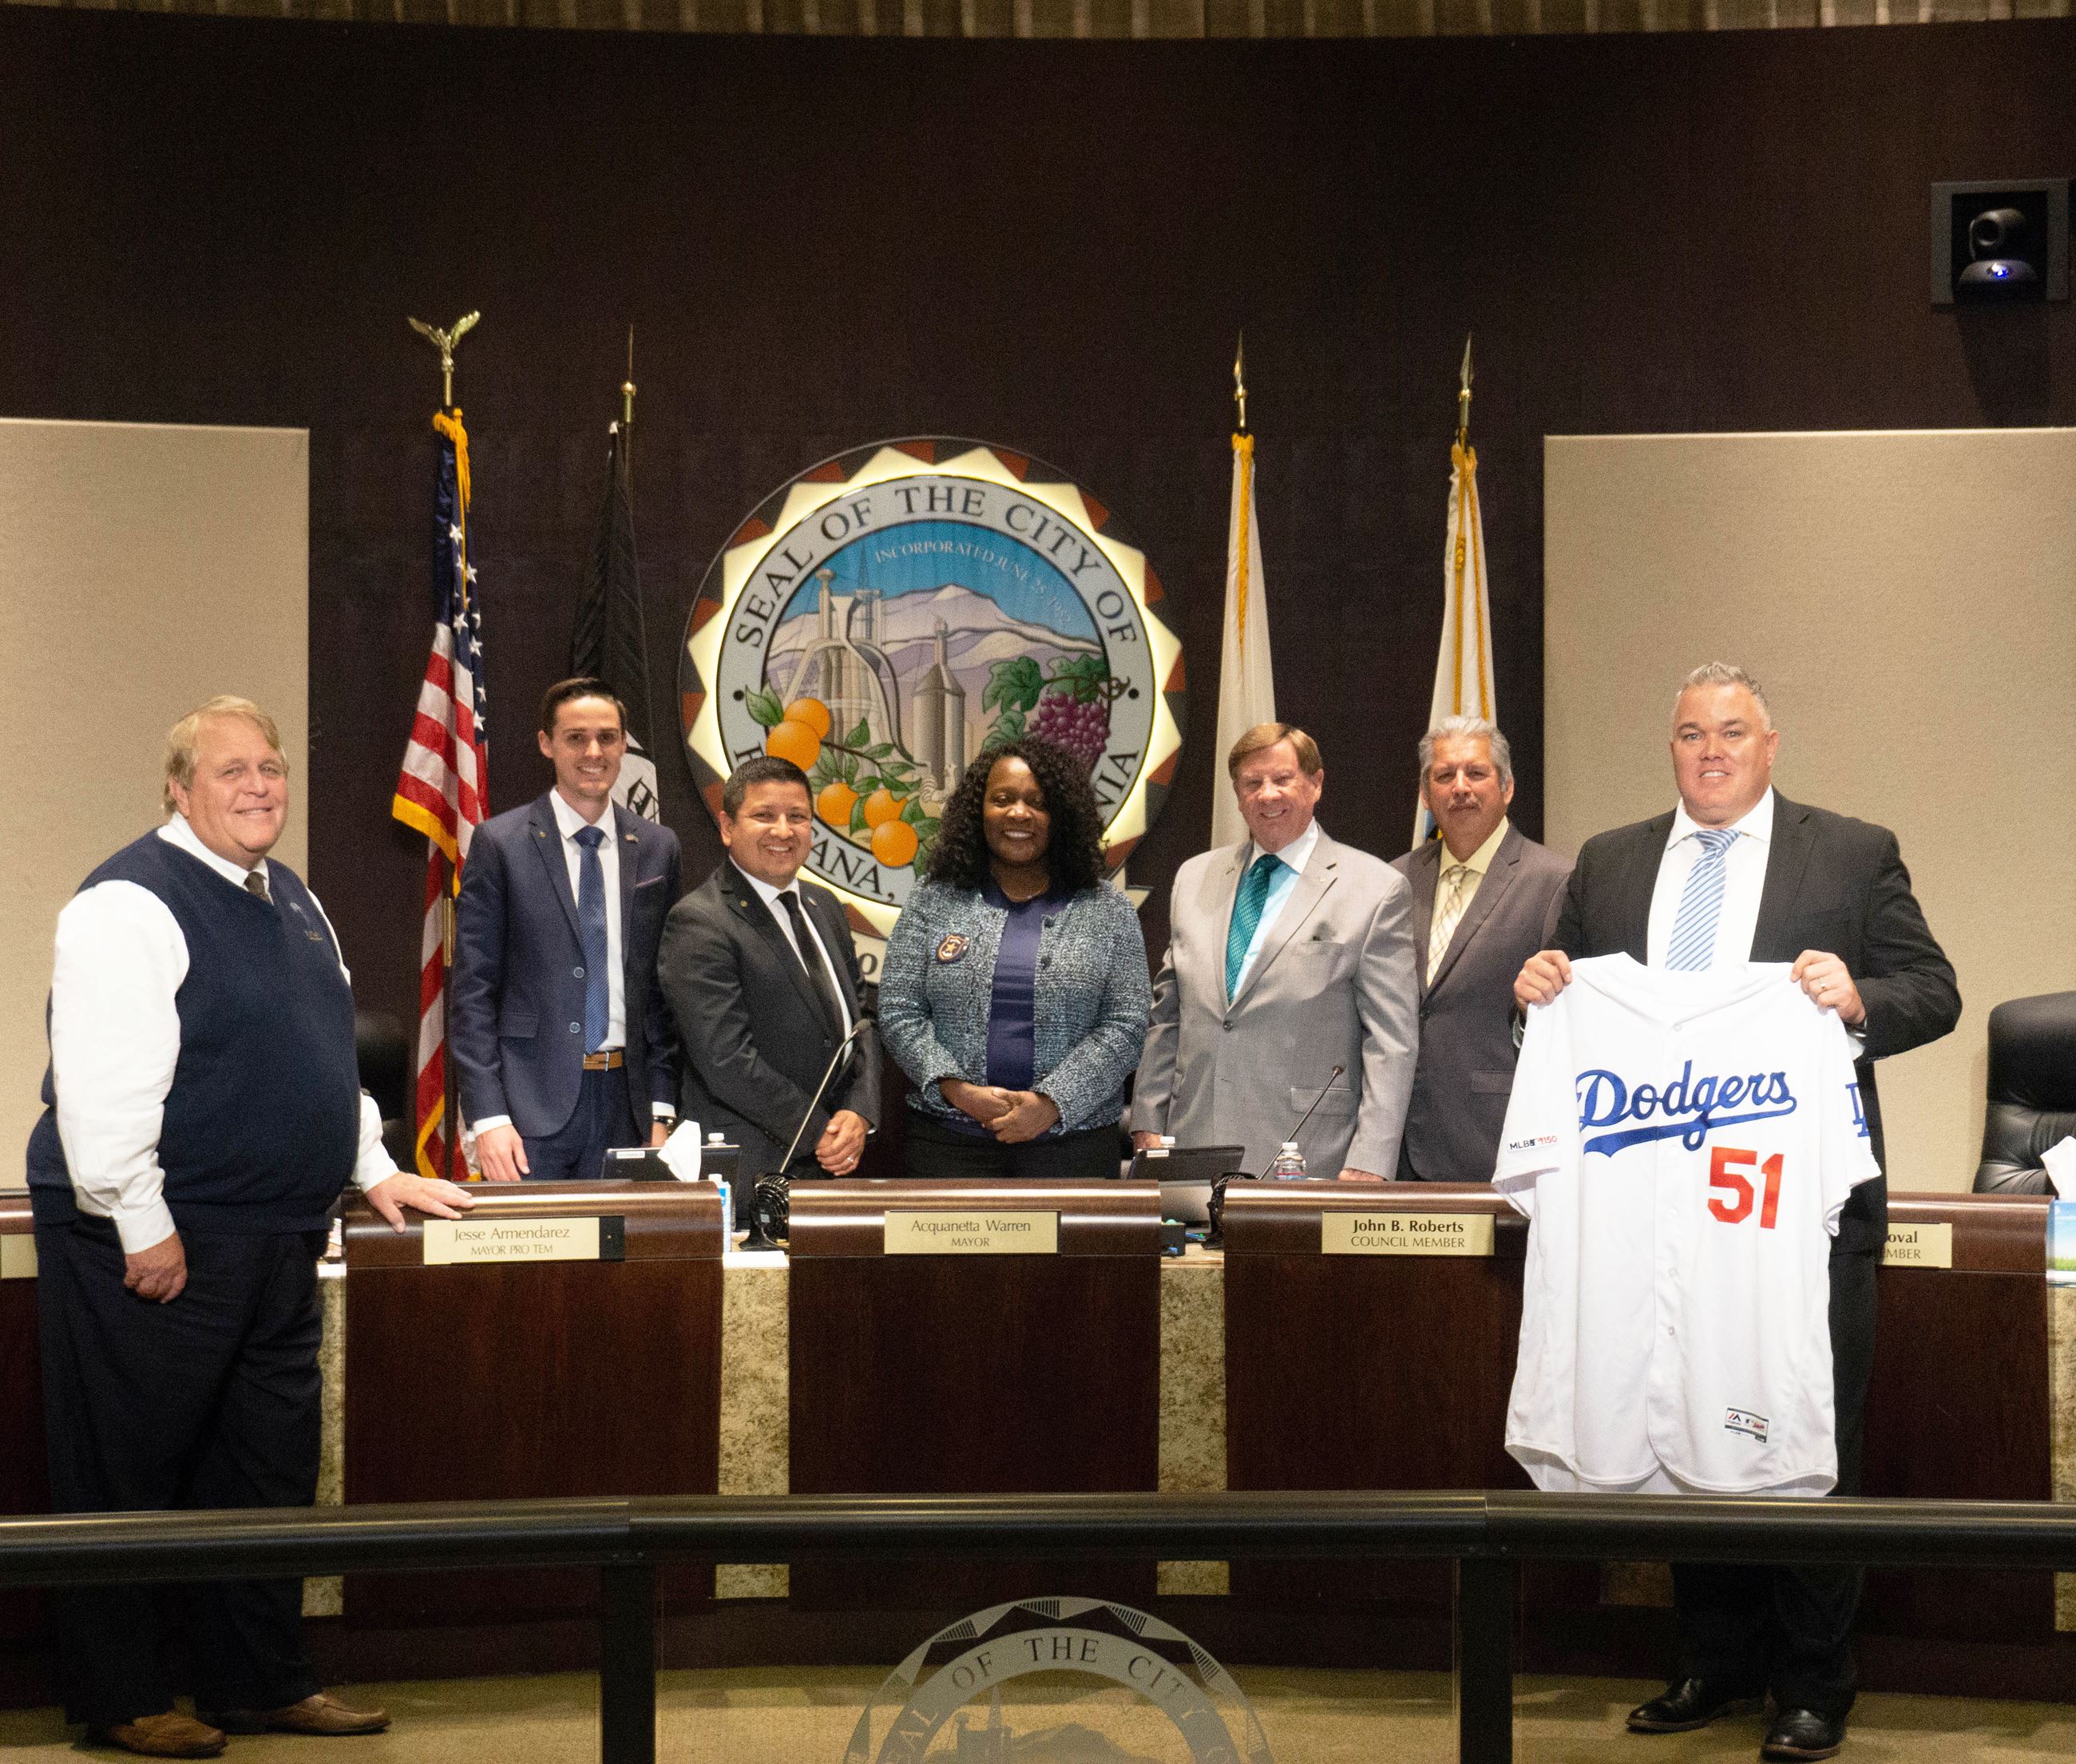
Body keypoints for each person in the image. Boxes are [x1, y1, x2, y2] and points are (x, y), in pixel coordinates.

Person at [1513, 662, 1960, 1763]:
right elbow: (1571, 1014)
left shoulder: (1852, 850)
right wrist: (1534, 993)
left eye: (1730, 733)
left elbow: (1933, 989)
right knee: (1679, 1416)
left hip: (1793, 1209)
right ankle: (1714, 1657)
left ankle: (1813, 1685)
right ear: (1669, 749)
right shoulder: (1610, 863)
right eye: (1688, 735)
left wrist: (1857, 998)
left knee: (1807, 1437)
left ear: (1770, 744)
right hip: (1651, 1211)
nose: (1709, 752)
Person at [26, 696, 473, 1760]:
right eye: (230, 771)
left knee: (265, 1472)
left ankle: (260, 1681)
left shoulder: (296, 901)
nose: (259, 787)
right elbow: (100, 1094)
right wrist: (142, 1222)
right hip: (157, 1243)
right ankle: (121, 1697)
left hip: (277, 1241)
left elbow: (321, 1058)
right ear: (177, 788)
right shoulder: (127, 902)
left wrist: (373, 1169)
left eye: (269, 767)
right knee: (129, 1476)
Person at [1132, 722, 1419, 1179]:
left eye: (1282, 779)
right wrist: (1147, 1117)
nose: (1268, 794)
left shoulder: (1375, 889)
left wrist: (1371, 1160)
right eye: (1253, 782)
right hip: (1194, 1143)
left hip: (1309, 1151)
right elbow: (1168, 1013)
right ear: (1238, 793)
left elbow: (1391, 1042)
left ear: (1316, 783)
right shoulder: (1193, 878)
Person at [879, 737, 1149, 1181]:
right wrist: (956, 1090)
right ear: (977, 811)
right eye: (1002, 799)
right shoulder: (934, 899)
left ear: (1061, 817)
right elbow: (899, 1011)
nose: (1018, 813)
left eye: (1038, 803)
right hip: (948, 1147)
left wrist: (1052, 1104)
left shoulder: (1108, 910)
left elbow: (1126, 1024)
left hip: (1073, 1151)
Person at [450, 677, 681, 1181]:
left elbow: (662, 994)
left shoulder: (658, 847)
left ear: (623, 744)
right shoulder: (501, 843)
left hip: (630, 1108)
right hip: (529, 1113)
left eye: (608, 737)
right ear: (546, 744)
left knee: (630, 1258)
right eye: (576, 738)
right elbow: (473, 994)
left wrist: (661, 1109)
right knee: (537, 1260)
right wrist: (488, 1118)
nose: (594, 752)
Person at [657, 755, 879, 1176]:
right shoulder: (699, 921)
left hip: (836, 1159)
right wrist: (820, 1132)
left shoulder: (826, 906)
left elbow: (862, 1021)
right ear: (727, 827)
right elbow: (725, 1059)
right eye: (764, 816)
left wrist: (859, 1111)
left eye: (797, 816)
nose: (783, 830)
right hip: (755, 1166)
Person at [1391, 716, 1571, 1180]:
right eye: (1444, 776)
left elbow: (1564, 1023)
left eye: (1476, 773)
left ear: (1507, 787)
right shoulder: (1395, 881)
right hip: (1395, 1145)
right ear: (1425, 795)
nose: (1460, 788)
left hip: (1495, 1138)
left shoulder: (1553, 880)